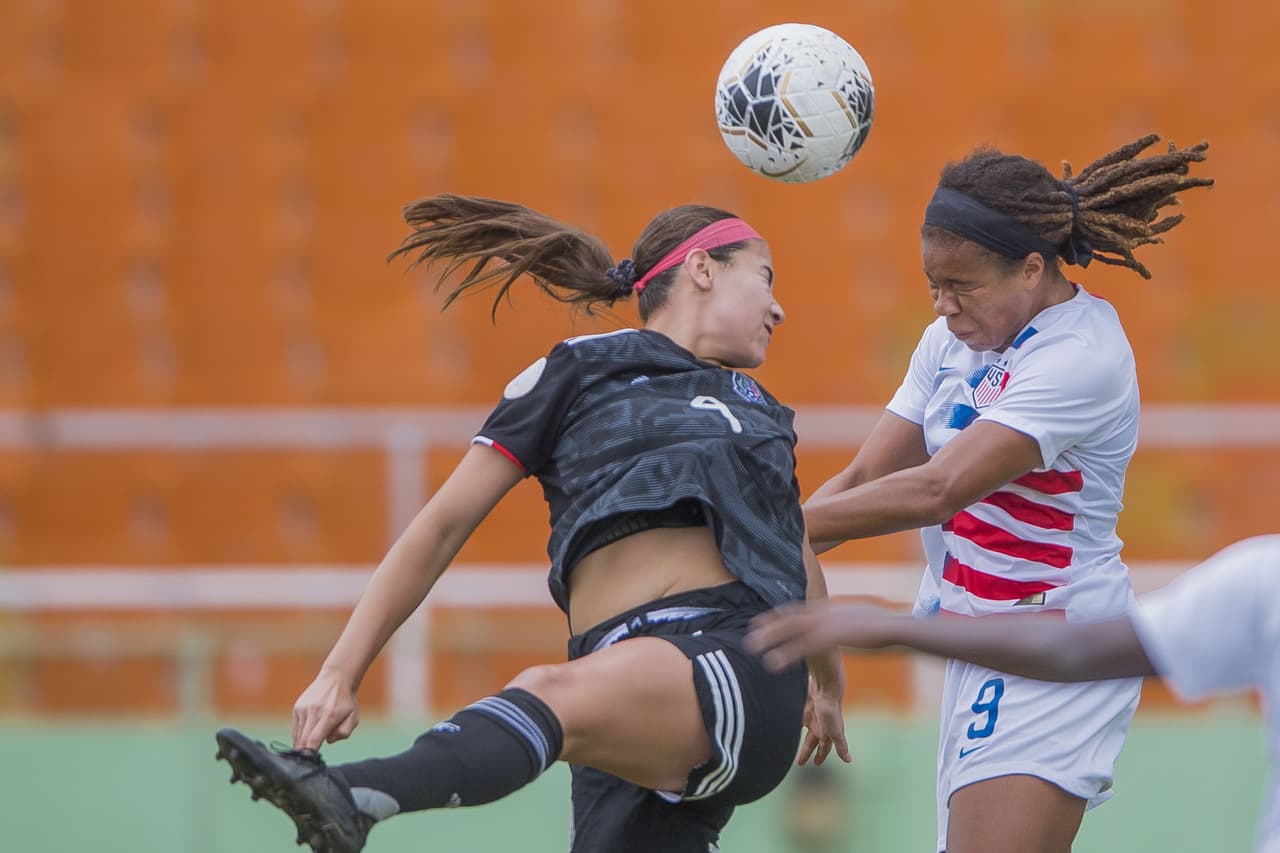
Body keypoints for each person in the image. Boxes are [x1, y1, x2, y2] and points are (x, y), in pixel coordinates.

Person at [214, 195, 851, 853]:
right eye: (766, 276)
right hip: (618, 689)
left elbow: (794, 552)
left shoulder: (758, 410)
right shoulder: (576, 370)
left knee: (545, 690)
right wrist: (340, 672)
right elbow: (440, 526)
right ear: (702, 269)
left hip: (735, 658)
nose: (779, 308)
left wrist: (827, 684)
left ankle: (352, 793)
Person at [798, 134, 1213, 853]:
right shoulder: (947, 342)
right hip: (973, 640)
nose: (944, 304)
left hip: (1052, 647)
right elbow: (866, 479)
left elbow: (938, 486)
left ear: (1030, 268)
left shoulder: (1082, 354)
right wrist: (760, 547)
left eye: (962, 285)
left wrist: (761, 532)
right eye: (933, 284)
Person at [746, 534, 1280, 853]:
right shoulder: (1264, 579)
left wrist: (892, 628)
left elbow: (1071, 652)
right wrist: (893, 628)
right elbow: (1069, 651)